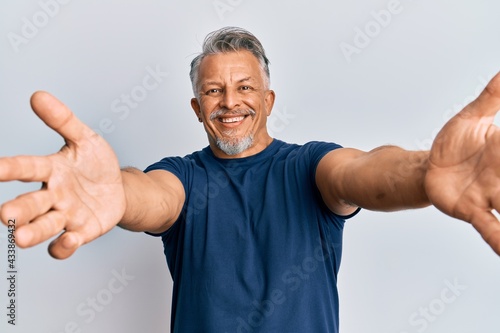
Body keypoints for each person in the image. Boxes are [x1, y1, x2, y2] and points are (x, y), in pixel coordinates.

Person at [1, 26, 499, 333]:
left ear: (268, 100)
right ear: (198, 110)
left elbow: (363, 171)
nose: (230, 102)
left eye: (244, 87)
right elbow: (149, 196)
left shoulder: (310, 166)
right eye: (214, 91)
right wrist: (115, 192)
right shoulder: (183, 177)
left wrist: (423, 173)